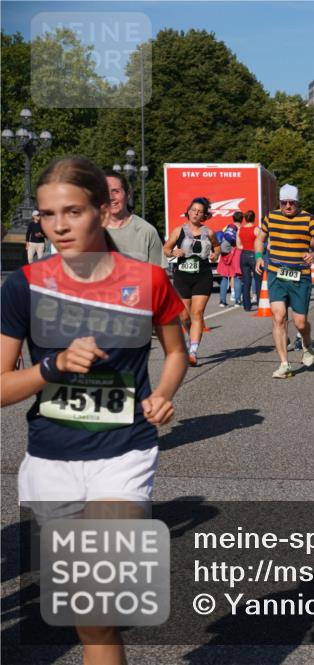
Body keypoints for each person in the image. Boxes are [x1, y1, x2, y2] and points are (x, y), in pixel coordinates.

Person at [1, 157, 188, 665]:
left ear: (103, 212)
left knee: (98, 608)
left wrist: (164, 393)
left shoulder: (147, 281)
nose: (58, 226)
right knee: (88, 621)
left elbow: (175, 351)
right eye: (46, 214)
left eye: (73, 212)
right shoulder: (24, 286)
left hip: (123, 454)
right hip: (50, 463)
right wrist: (51, 368)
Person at [255, 184, 314, 378]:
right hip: (276, 274)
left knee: (300, 323)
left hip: (299, 275)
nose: (287, 206)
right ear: (280, 202)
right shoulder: (271, 217)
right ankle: (284, 363)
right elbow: (259, 239)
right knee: (278, 317)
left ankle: (307, 344)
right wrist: (259, 257)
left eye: (291, 203)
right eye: (284, 202)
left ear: (297, 202)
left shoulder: (307, 219)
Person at [163, 197, 220, 366]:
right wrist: (174, 252)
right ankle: (191, 339)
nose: (196, 213)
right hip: (182, 276)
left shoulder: (208, 232)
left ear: (204, 215)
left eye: (200, 211)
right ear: (188, 211)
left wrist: (215, 254)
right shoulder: (178, 231)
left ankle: (193, 351)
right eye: (193, 210)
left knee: (197, 313)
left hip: (202, 275)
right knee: (184, 316)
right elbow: (166, 249)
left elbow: (216, 246)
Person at [104, 171, 164, 265]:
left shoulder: (147, 231)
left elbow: (157, 275)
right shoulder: (90, 232)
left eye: (116, 191)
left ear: (128, 194)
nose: (111, 197)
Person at [237, 210, 261, 311]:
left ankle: (247, 305)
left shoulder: (240, 230)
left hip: (244, 255)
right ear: (254, 218)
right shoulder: (256, 230)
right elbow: (260, 244)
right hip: (254, 255)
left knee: (246, 281)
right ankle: (261, 303)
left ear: (245, 219)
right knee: (258, 280)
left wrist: (245, 247)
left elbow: (238, 245)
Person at [216, 213, 241, 307]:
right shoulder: (240, 229)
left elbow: (221, 238)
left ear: (233, 218)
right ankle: (237, 301)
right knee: (237, 277)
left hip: (225, 255)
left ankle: (222, 301)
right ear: (242, 219)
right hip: (235, 254)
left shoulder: (227, 227)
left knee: (224, 277)